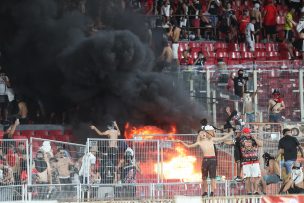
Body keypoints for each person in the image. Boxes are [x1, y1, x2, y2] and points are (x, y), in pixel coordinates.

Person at [179, 126, 233, 197]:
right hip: (205, 160)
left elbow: (222, 138)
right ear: (199, 136)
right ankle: (205, 192)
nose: (203, 134)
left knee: (213, 178)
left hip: (213, 160)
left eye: (203, 133)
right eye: (201, 133)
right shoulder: (199, 142)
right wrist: (181, 142)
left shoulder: (211, 139)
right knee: (204, 178)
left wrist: (231, 133)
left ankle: (212, 192)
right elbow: (189, 146)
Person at [239, 127, 263, 195]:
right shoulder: (241, 140)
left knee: (257, 177)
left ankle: (255, 191)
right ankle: (249, 192)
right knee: (247, 178)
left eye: (249, 132)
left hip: (255, 161)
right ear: (243, 133)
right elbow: (247, 144)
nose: (248, 134)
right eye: (246, 132)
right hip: (246, 162)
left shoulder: (253, 139)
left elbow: (261, 144)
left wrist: (255, 138)